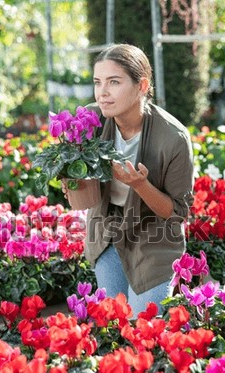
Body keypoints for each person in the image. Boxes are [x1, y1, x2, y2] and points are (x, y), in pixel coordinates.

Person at [69, 43, 194, 317]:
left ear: (142, 85)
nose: (102, 92)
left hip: (154, 239)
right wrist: (70, 170)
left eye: (114, 82)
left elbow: (176, 214)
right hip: (107, 231)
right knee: (113, 325)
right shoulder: (90, 121)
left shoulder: (173, 138)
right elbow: (75, 179)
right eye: (97, 82)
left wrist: (140, 185)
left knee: (144, 325)